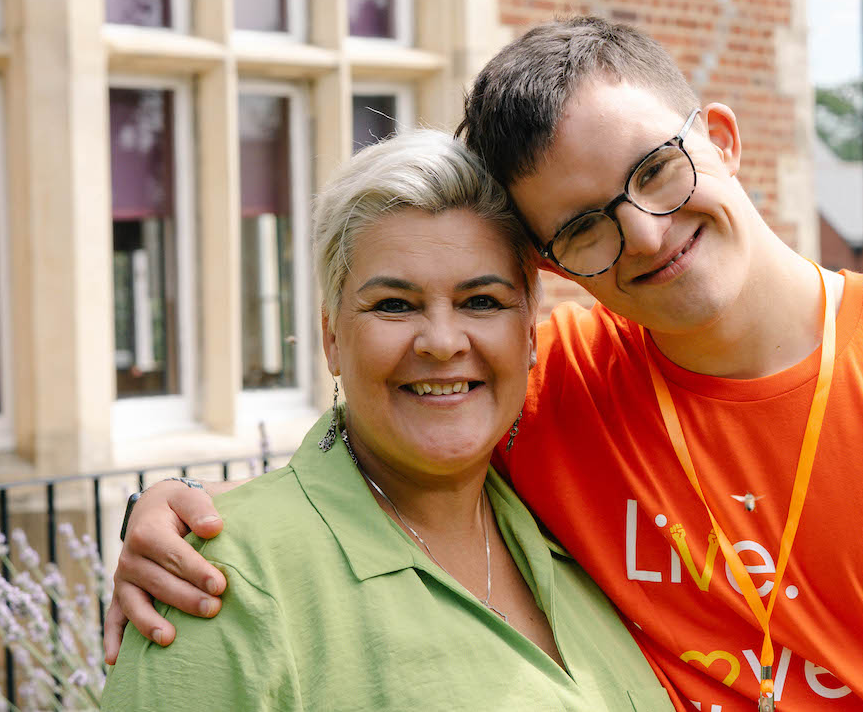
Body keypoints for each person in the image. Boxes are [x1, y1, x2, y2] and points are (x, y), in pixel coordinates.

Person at [107, 17, 863, 711]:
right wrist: (192, 523)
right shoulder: (548, 387)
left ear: (721, 139)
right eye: (589, 225)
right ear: (557, 265)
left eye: (656, 170)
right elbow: (402, 409)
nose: (645, 234)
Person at [101, 129, 675, 711]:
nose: (443, 342)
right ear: (331, 338)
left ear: (530, 331)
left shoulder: (577, 526)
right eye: (393, 305)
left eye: (481, 301)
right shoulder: (221, 583)